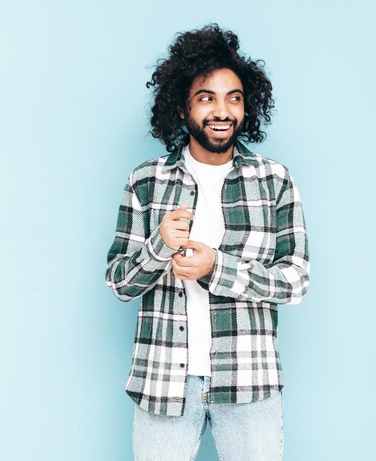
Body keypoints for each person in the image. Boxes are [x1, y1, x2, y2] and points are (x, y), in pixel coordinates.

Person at [105, 24, 309, 461]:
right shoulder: (146, 182)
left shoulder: (274, 181)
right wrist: (158, 247)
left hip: (250, 382)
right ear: (182, 108)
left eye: (233, 98)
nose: (222, 110)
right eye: (207, 97)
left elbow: (296, 281)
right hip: (163, 384)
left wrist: (216, 267)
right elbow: (119, 283)